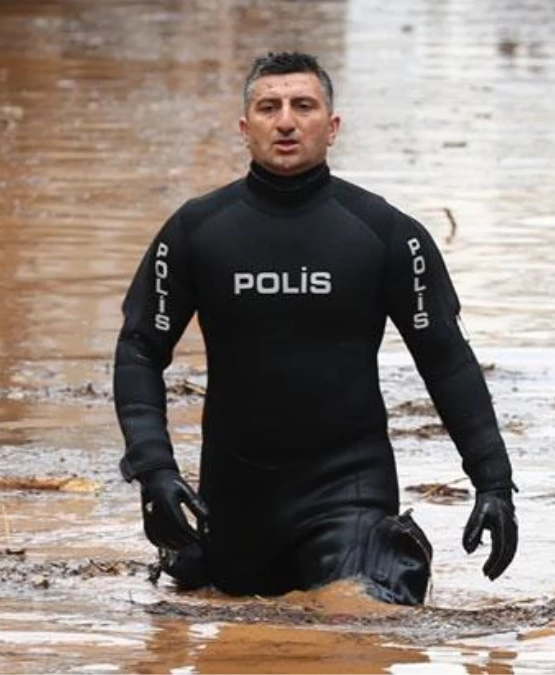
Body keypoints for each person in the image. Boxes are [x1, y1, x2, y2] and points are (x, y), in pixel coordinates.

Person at [112, 52, 517, 605]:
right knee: (230, 632)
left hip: (349, 488)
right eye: (268, 107)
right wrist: (154, 468)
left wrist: (493, 481)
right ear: (244, 127)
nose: (285, 121)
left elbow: (446, 361)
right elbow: (139, 349)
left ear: (332, 127)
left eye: (303, 106)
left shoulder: (386, 233)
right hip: (235, 500)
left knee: (355, 620)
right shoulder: (195, 230)